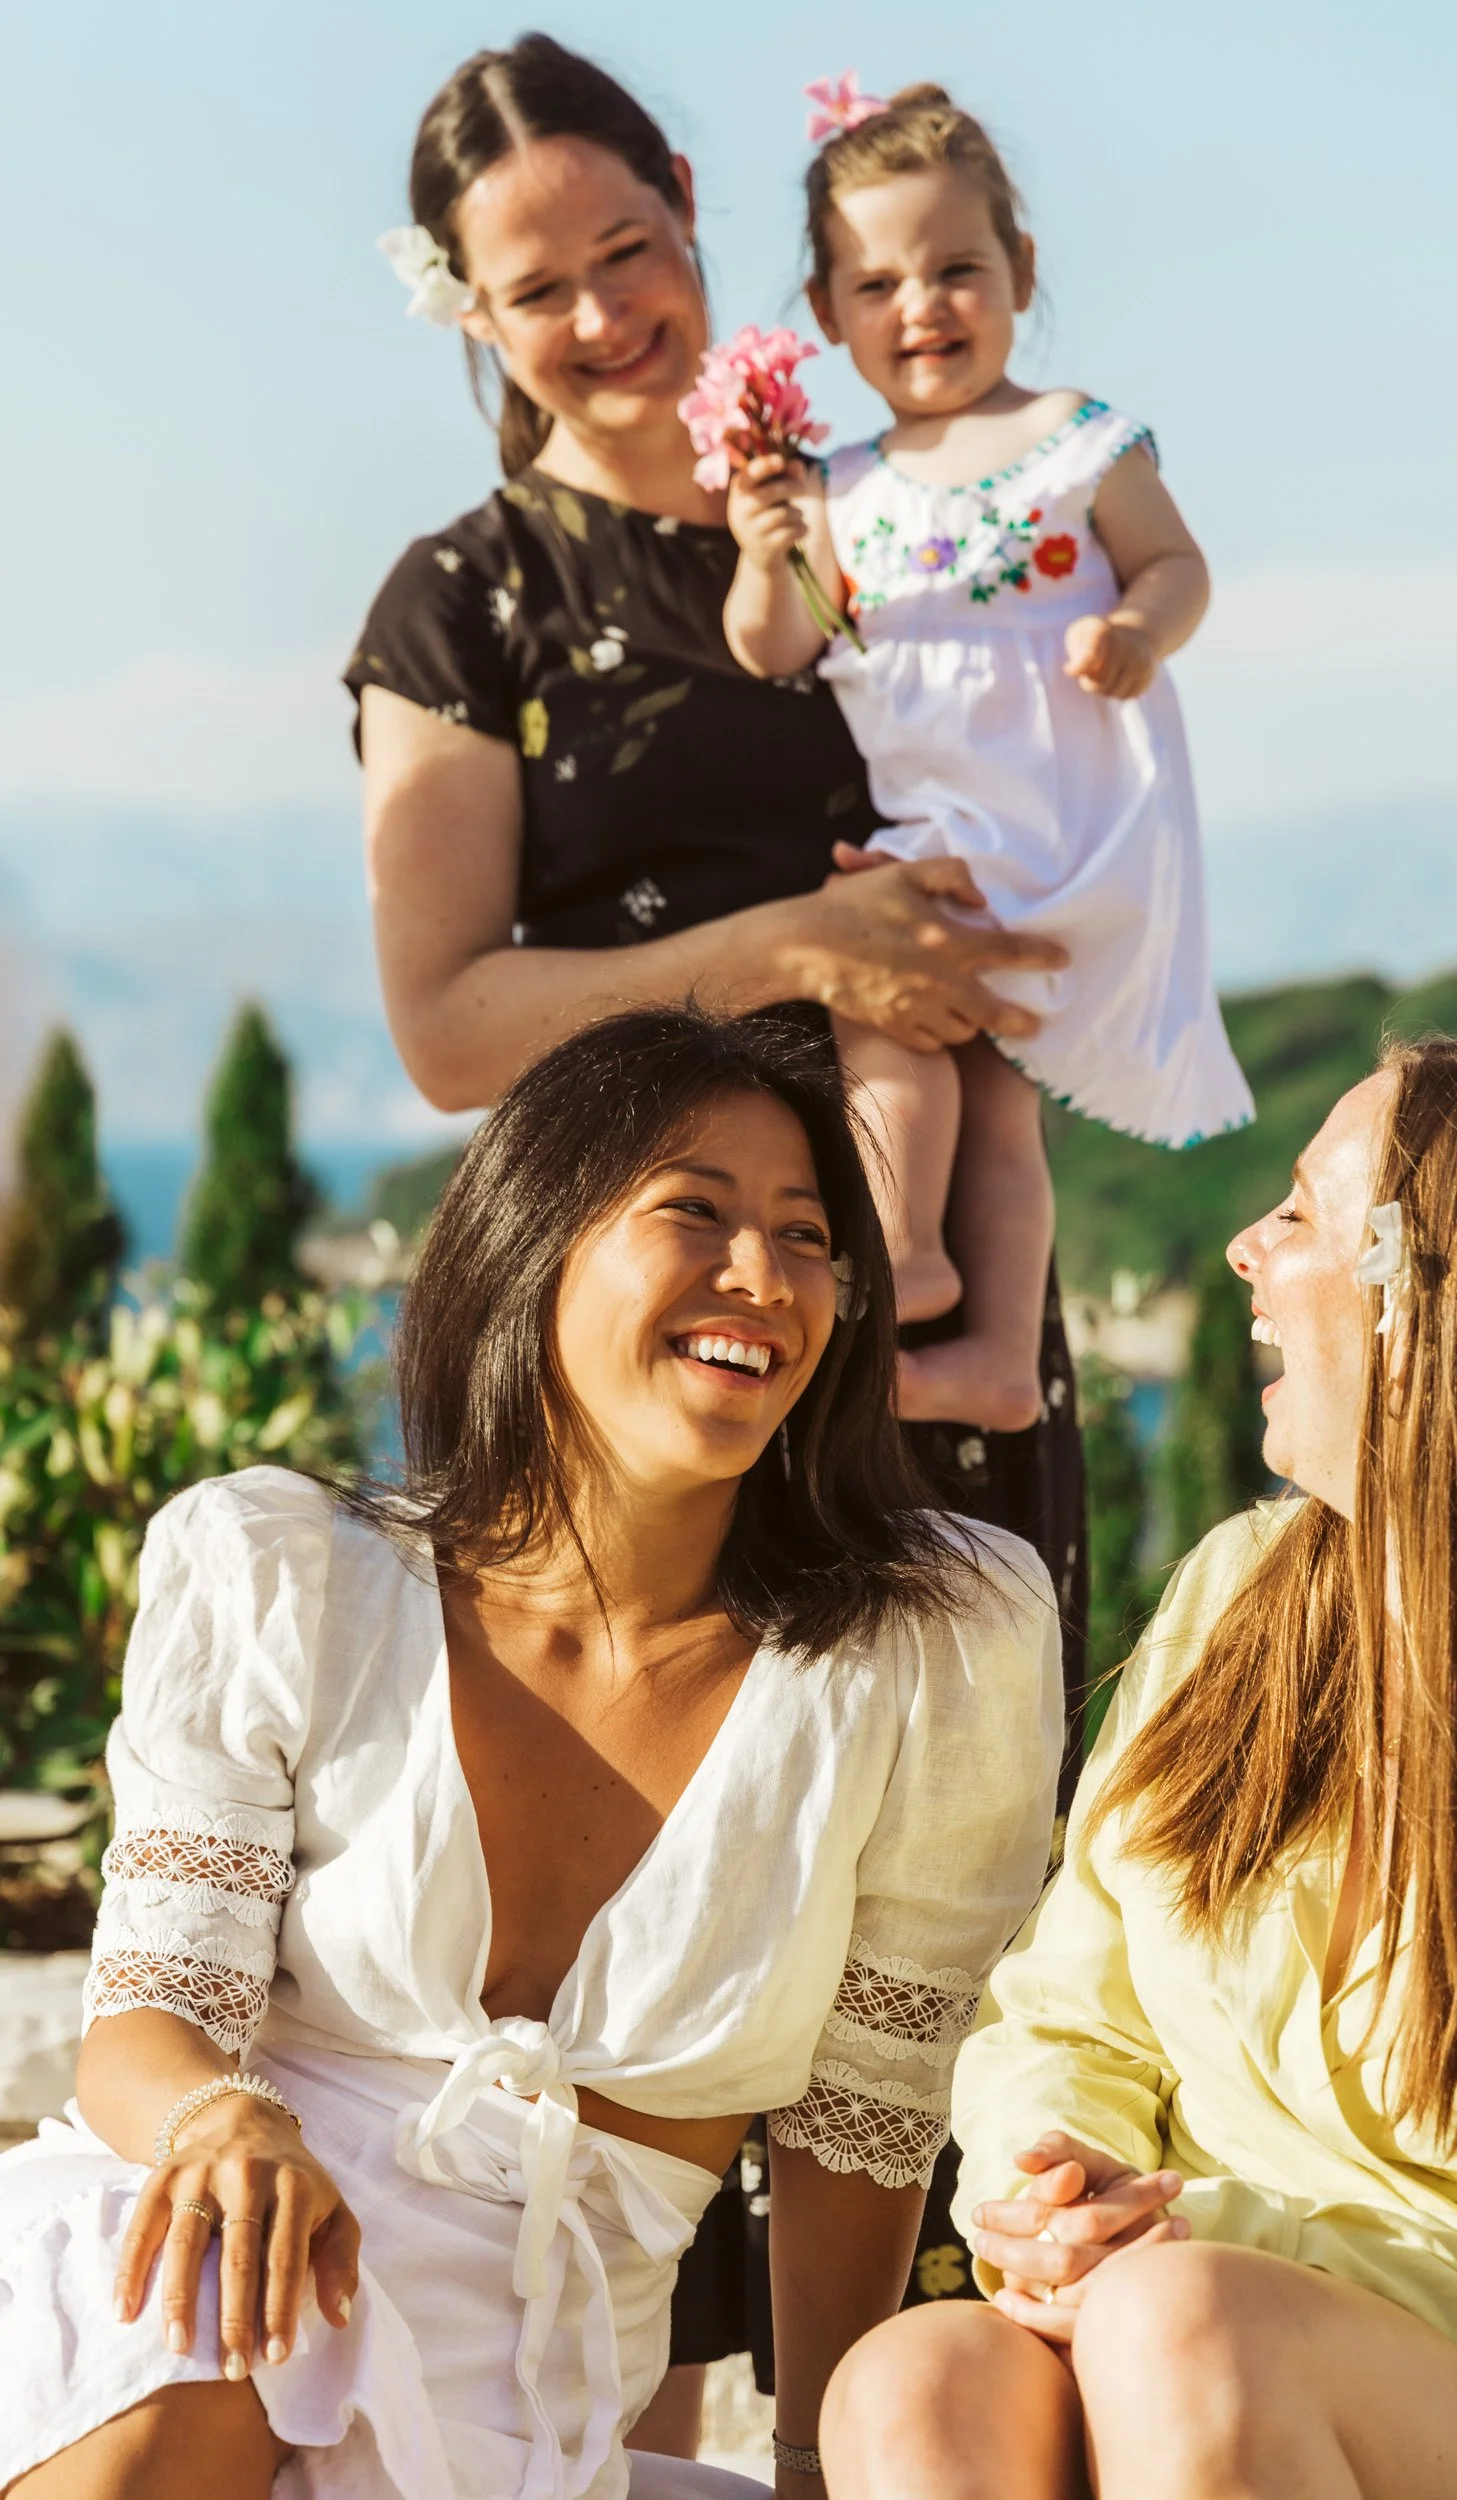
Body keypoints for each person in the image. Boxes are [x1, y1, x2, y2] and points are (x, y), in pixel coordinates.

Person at [344, 35, 1091, 2420]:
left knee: (929, 1976)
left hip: (939, 1300)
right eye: (533, 288)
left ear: (695, 212)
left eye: (631, 252)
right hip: (643, 1368)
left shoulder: (888, 506)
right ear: (464, 312)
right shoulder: (461, 601)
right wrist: (791, 950)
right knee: (631, 2006)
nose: (600, 317)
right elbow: (450, 1022)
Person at [0, 1008, 1063, 2500]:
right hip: (202, 2258)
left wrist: (822, 2458)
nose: (763, 1277)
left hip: (521, 2400)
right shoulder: (285, 1574)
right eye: (695, 1210)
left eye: (809, 1236)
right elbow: (153, 2016)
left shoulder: (930, 1646)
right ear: (530, 1243)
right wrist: (224, 2119)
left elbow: (865, 2117)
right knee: (199, 2366)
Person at [818, 1033, 1457, 2500]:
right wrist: (1051, 2188)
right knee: (912, 2384)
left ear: (1418, 1301)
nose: (1243, 1247)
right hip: (1179, 2291)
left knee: (1184, 2331)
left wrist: (1201, 2239)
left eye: (1297, 1215)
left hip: (1357, 2333)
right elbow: (1072, 2010)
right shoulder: (1240, 1593)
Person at [723, 77, 1252, 1433]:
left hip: (1057, 817)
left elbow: (1181, 565)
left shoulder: (1072, 439)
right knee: (985, 1091)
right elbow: (775, 644)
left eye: (958, 268)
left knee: (889, 1017)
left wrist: (1137, 629)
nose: (922, 306)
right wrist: (764, 544)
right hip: (945, 813)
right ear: (831, 315)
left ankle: (901, 1253)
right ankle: (1001, 1358)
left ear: (1020, 269)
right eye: (878, 283)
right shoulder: (841, 487)